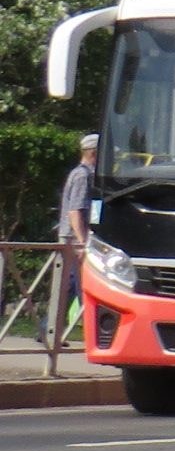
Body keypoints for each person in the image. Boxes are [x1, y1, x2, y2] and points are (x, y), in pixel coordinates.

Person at [52, 132, 95, 366]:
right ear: (93, 153)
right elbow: (75, 211)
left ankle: (47, 330)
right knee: (82, 286)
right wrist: (82, 241)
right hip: (74, 239)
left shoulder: (84, 174)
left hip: (72, 238)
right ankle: (92, 336)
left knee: (67, 287)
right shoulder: (82, 176)